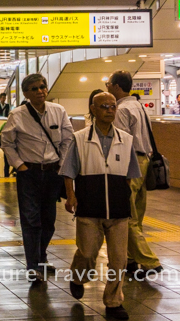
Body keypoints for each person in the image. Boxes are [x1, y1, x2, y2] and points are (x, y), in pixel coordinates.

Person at [60, 92, 140, 320]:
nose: (110, 110)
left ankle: (114, 302)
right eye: (104, 106)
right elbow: (68, 171)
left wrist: (126, 200)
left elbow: (130, 175)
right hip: (89, 206)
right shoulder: (80, 138)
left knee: (119, 259)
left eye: (113, 106)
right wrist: (71, 196)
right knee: (86, 253)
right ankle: (77, 277)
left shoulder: (126, 139)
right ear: (93, 110)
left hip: (118, 211)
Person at [1, 73, 74, 282]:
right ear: (26, 93)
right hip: (29, 174)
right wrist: (20, 166)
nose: (40, 91)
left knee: (48, 221)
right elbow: (6, 142)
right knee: (31, 220)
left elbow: (68, 138)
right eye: (35, 88)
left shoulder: (58, 111)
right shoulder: (17, 114)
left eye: (43, 86)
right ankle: (33, 266)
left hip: (53, 173)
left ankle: (41, 258)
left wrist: (61, 164)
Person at [106, 70, 163, 278]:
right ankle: (130, 260)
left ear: (117, 87)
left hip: (131, 163)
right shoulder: (138, 105)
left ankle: (150, 262)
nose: (107, 86)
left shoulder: (121, 109)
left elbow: (120, 142)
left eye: (109, 83)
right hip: (145, 160)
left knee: (127, 216)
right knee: (137, 216)